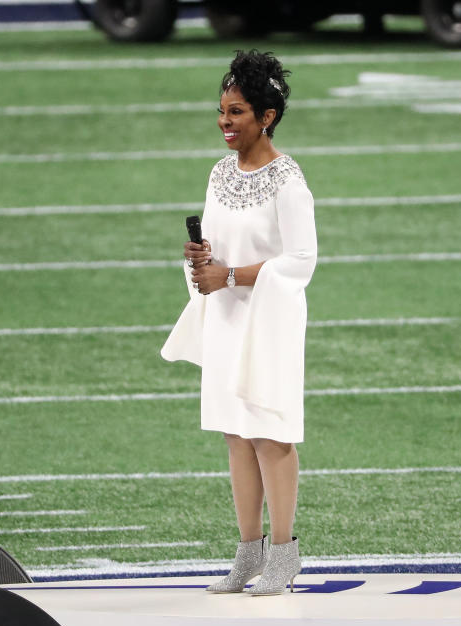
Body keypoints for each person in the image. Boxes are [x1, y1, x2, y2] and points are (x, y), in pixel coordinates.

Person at [160, 49, 318, 596]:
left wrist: (228, 276)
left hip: (267, 318)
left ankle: (284, 552)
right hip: (227, 315)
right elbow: (218, 251)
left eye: (237, 112)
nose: (225, 123)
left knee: (270, 432)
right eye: (222, 112)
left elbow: (301, 259)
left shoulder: (288, 180)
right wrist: (200, 260)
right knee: (236, 431)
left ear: (266, 116)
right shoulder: (220, 172)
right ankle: (248, 550)